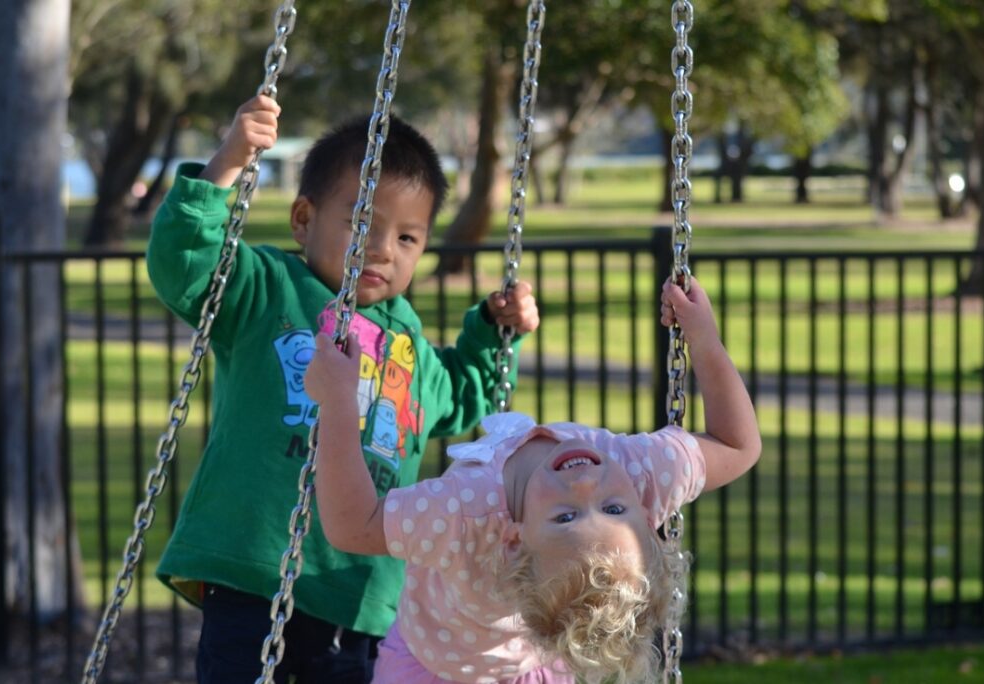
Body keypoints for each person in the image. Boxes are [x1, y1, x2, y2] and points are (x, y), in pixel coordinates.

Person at [146, 93, 540, 684]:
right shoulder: (267, 290)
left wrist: (494, 330)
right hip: (254, 573)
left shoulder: (404, 342)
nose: (383, 249)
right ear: (303, 220)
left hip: (358, 591)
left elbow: (459, 397)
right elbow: (185, 262)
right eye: (364, 223)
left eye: (408, 238)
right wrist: (227, 162)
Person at [304, 276, 762, 684]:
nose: (587, 488)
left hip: (435, 669)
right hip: (485, 658)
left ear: (515, 539)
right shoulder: (637, 472)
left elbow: (353, 525)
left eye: (565, 517)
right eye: (615, 510)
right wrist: (704, 338)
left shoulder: (466, 512)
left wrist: (339, 400)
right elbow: (738, 446)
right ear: (647, 513)